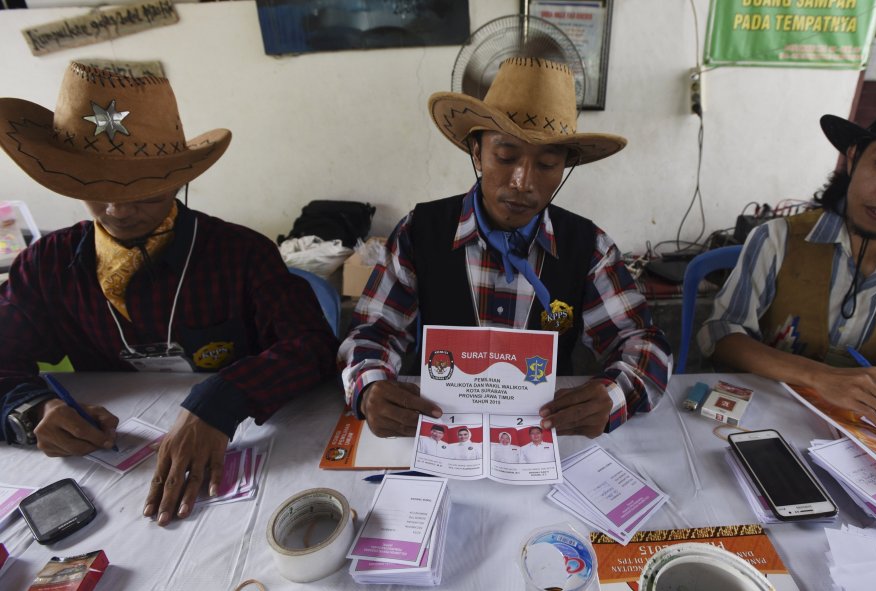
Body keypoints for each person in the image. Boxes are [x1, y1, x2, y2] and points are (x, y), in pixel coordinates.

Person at [0, 62, 340, 526]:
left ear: (179, 177)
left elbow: (314, 347)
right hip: (115, 481)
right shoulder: (44, 266)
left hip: (243, 461)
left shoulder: (240, 253)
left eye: (143, 188)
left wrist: (225, 397)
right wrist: (34, 408)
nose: (118, 208)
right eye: (95, 187)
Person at [339, 57, 671, 439]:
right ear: (477, 152)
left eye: (546, 164)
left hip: (542, 438)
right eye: (506, 156)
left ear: (563, 169)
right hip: (437, 433)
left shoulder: (587, 248)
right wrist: (370, 388)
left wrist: (613, 396)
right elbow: (372, 332)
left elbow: (644, 343)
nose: (522, 181)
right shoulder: (420, 233)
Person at [699, 74, 876, 457]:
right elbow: (723, 337)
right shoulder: (778, 239)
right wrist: (821, 377)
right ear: (854, 156)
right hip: (769, 428)